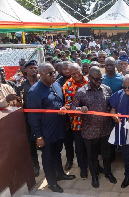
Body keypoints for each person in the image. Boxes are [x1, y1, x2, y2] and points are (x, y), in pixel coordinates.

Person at [28, 63, 76, 193]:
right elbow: (33, 117)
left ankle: (60, 174)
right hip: (46, 132)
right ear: (41, 75)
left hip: (59, 128)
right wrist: (38, 136)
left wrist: (64, 108)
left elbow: (62, 102)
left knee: (58, 153)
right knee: (48, 157)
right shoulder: (34, 92)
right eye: (50, 73)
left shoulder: (56, 85)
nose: (53, 75)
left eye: (54, 72)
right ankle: (51, 182)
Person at [71, 66, 117, 188]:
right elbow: (72, 108)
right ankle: (94, 176)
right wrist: (80, 109)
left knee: (107, 155)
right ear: (89, 77)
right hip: (89, 132)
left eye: (100, 79)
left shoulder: (107, 89)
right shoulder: (82, 92)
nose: (99, 81)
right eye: (96, 79)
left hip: (105, 129)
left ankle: (108, 173)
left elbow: (112, 106)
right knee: (92, 157)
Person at [62, 63, 89, 179]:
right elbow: (68, 105)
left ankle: (94, 166)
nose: (76, 75)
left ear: (81, 69)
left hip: (91, 121)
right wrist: (77, 109)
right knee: (79, 147)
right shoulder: (67, 85)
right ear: (70, 74)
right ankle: (83, 168)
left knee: (91, 146)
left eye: (78, 72)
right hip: (76, 122)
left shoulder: (89, 81)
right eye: (73, 74)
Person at [16, 60, 40, 176]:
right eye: (31, 68)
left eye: (35, 67)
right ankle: (35, 165)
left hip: (43, 119)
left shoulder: (43, 82)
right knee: (32, 144)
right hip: (29, 120)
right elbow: (19, 103)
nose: (34, 70)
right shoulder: (21, 86)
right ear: (25, 70)